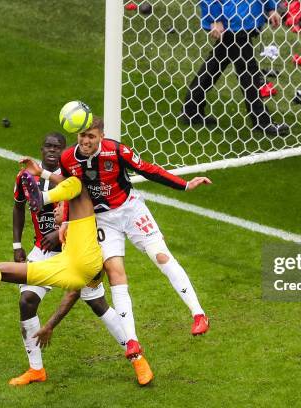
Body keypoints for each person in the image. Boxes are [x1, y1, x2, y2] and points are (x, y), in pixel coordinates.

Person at [0, 160, 154, 385]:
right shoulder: (65, 231)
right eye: (53, 206)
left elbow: (74, 186)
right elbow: (72, 287)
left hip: (88, 266)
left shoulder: (82, 214)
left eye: (58, 205)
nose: (55, 210)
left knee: (99, 304)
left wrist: (42, 177)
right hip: (65, 267)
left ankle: (138, 359)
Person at [49, 116, 211, 353]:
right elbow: (69, 188)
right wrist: (66, 219)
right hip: (102, 219)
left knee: (160, 256)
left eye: (91, 136)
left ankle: (198, 314)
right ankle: (132, 341)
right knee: (115, 273)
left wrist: (184, 185)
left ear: (101, 136)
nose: (85, 141)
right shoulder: (67, 158)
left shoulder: (116, 151)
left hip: (130, 209)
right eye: (82, 136)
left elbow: (148, 169)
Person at [9, 134, 150, 386]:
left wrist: (61, 230)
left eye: (58, 148)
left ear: (65, 153)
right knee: (26, 301)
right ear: (41, 149)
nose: (53, 151)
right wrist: (17, 244)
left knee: (98, 305)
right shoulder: (25, 177)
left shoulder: (74, 181)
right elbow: (18, 206)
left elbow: (89, 214)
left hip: (77, 250)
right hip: (42, 251)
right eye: (48, 146)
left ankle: (138, 358)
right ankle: (36, 370)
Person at [181, 0, 289, 136]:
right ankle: (262, 121)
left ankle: (191, 109)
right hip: (233, 21)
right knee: (248, 73)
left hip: (244, 18)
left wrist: (271, 7)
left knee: (216, 64)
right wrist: (214, 18)